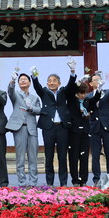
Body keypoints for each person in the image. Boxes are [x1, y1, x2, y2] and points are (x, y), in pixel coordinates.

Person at [32, 58, 77, 186]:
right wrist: (34, 76)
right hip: (48, 128)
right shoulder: (44, 92)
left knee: (62, 157)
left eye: (54, 81)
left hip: (62, 127)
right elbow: (37, 86)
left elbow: (71, 85)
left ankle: (63, 183)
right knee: (49, 157)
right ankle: (50, 183)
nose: (51, 83)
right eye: (49, 81)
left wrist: (72, 71)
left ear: (59, 82)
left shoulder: (63, 92)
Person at [7, 72, 42, 188]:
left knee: (33, 158)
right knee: (20, 157)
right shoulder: (16, 94)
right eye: (20, 79)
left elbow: (39, 110)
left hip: (32, 128)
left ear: (30, 82)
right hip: (19, 128)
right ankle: (22, 183)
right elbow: (10, 91)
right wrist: (12, 81)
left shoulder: (35, 98)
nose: (22, 81)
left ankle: (33, 183)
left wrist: (31, 108)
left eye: (25, 79)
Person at [88, 71, 109, 184]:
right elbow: (90, 105)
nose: (98, 81)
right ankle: (96, 179)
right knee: (95, 155)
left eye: (99, 79)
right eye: (95, 80)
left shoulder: (108, 92)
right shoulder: (88, 96)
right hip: (94, 127)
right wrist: (98, 91)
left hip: (107, 126)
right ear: (91, 83)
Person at [67, 79, 98, 186]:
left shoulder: (87, 101)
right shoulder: (71, 100)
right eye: (81, 93)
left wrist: (88, 113)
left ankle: (83, 180)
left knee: (84, 157)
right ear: (77, 93)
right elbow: (70, 90)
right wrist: (78, 82)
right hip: (73, 132)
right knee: (73, 157)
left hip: (85, 131)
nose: (83, 95)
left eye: (85, 93)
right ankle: (75, 180)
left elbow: (95, 100)